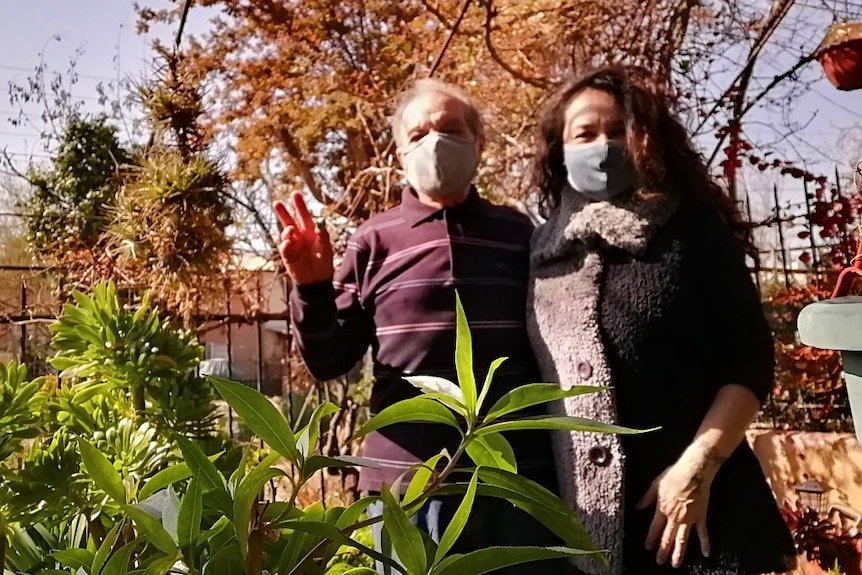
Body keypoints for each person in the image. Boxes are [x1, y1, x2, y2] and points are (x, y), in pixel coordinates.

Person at [274, 78, 564, 574]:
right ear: (401, 151)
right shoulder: (373, 240)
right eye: (420, 133)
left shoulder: (521, 234)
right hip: (407, 484)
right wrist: (311, 287)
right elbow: (328, 360)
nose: (436, 141)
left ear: (479, 143)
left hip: (517, 478)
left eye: (452, 128)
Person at [525, 66, 797, 575]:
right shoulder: (541, 253)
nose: (603, 145)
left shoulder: (690, 231)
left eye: (618, 131)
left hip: (700, 516)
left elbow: (751, 360)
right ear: (559, 151)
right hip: (587, 528)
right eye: (585, 133)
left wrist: (697, 467)